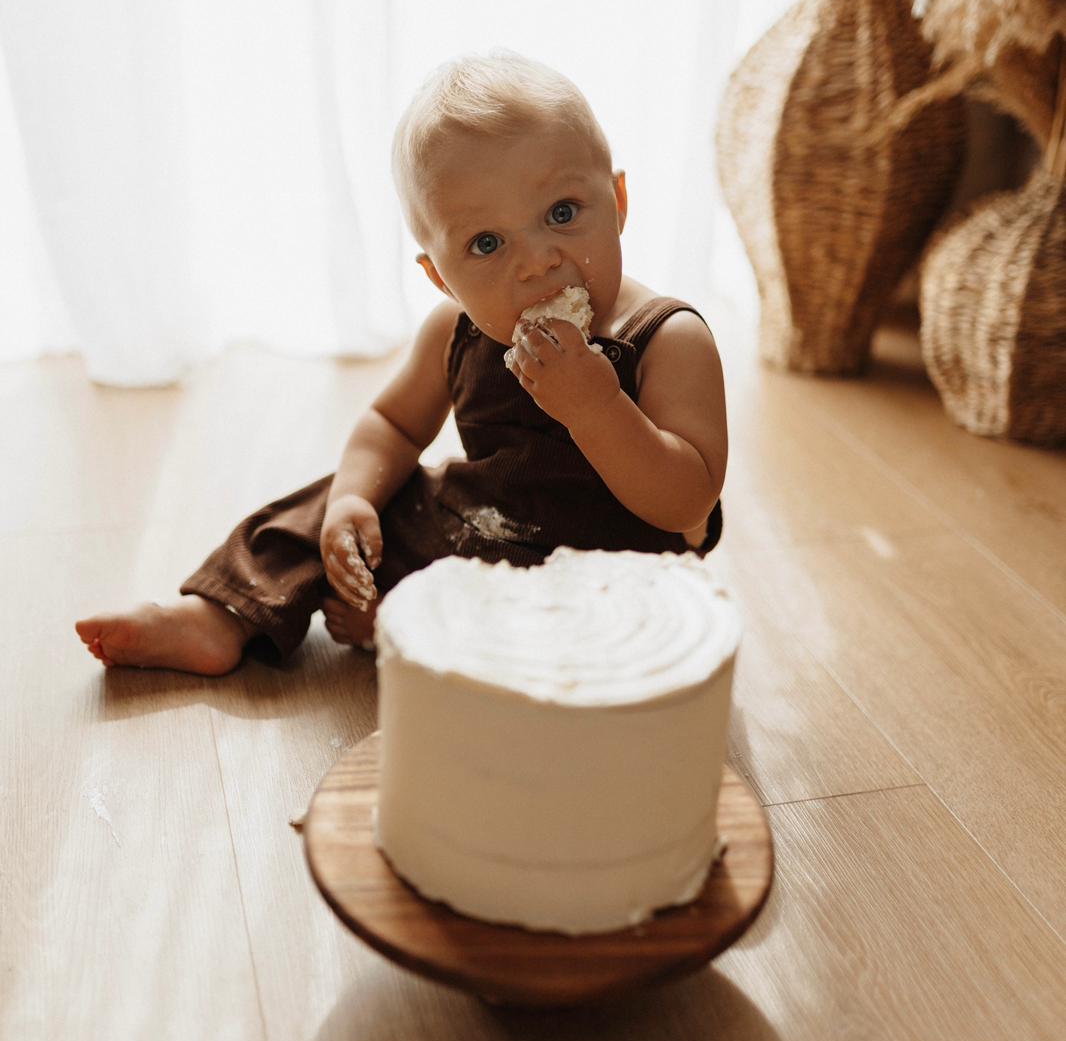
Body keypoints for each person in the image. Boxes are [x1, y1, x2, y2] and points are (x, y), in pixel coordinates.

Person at [75, 50, 728, 675]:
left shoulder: (667, 338)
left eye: (562, 213)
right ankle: (220, 615)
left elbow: (686, 503)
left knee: (599, 639)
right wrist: (356, 498)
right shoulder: (457, 330)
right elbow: (391, 426)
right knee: (337, 504)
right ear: (441, 279)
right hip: (481, 531)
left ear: (617, 204)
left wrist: (598, 408)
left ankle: (415, 628)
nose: (536, 262)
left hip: (614, 577)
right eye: (486, 243)